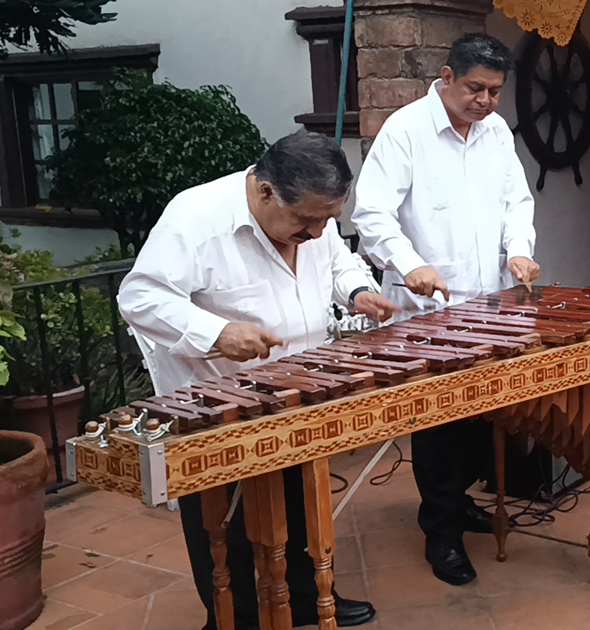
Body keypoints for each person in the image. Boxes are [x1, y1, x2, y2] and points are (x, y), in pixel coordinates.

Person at [118, 131, 396, 630]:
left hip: (298, 387)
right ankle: (234, 616)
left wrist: (357, 290)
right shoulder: (195, 219)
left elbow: (336, 259)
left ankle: (308, 597)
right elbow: (139, 297)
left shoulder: (314, 219)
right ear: (266, 191)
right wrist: (216, 331)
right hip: (217, 396)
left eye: (326, 219)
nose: (316, 231)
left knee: (300, 500)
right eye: (305, 220)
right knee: (226, 522)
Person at [351, 33, 538, 587]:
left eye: (495, 92)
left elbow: (516, 201)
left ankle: (458, 504)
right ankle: (441, 533)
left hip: (490, 302)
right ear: (446, 76)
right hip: (426, 310)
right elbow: (373, 213)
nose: (484, 101)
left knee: (482, 414)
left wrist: (520, 250)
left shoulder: (497, 132)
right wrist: (409, 264)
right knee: (436, 424)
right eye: (475, 88)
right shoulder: (405, 130)